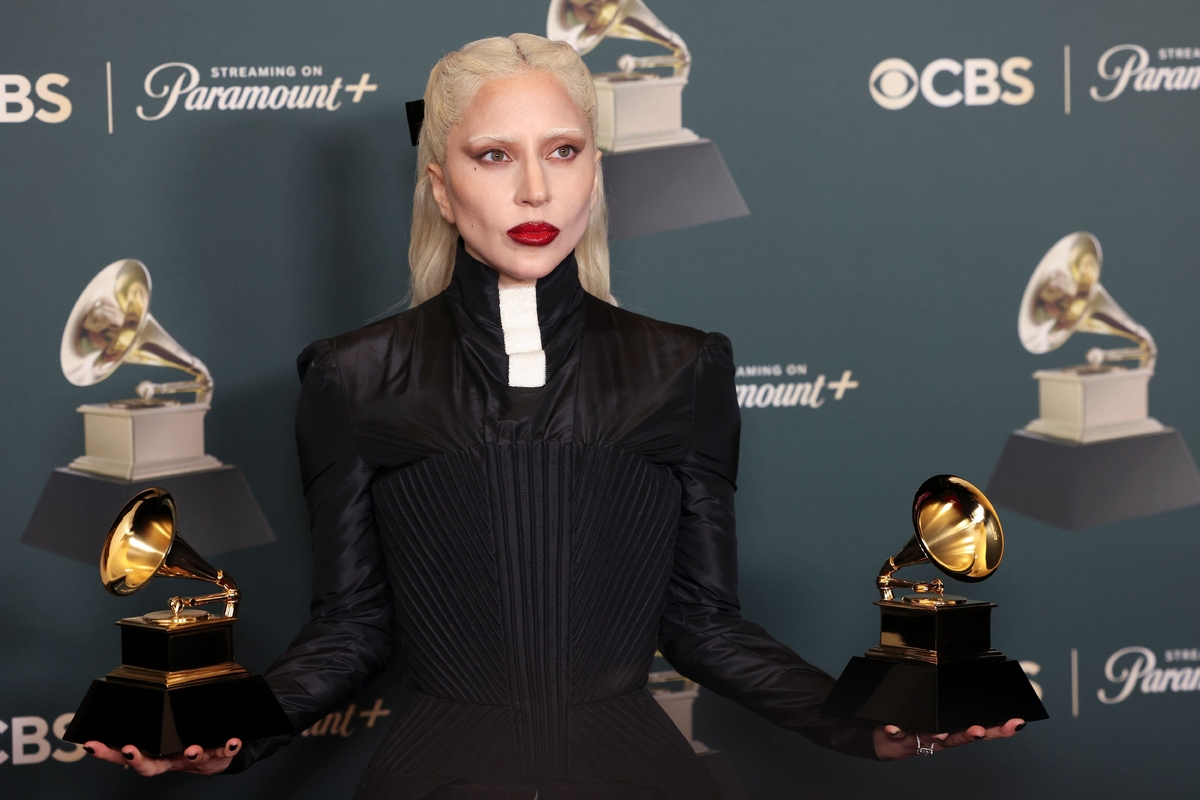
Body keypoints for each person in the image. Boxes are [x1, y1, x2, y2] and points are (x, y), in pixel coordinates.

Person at [84, 32, 1022, 798]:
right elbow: (350, 629)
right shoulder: (351, 375)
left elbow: (704, 624)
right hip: (435, 778)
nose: (535, 190)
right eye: (494, 156)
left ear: (594, 172)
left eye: (563, 152)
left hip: (640, 776)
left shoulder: (683, 367)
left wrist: (866, 727)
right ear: (441, 185)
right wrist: (229, 736)